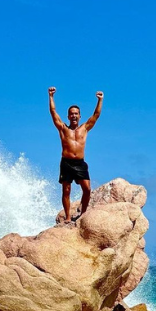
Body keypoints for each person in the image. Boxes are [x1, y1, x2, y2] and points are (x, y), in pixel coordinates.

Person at [48, 86, 103, 222]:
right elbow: (53, 112)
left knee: (87, 189)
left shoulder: (84, 128)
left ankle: (83, 213)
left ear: (79, 116)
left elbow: (96, 115)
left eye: (76, 113)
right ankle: (67, 217)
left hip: (80, 163)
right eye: (71, 113)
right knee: (66, 191)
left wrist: (100, 100)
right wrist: (51, 96)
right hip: (66, 162)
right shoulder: (63, 128)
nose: (73, 115)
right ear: (68, 116)